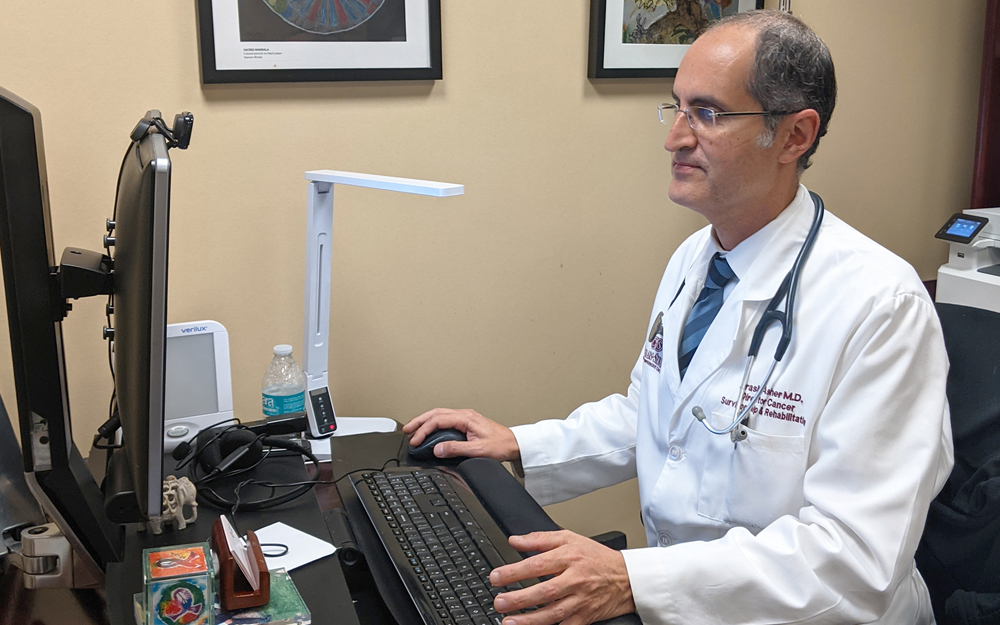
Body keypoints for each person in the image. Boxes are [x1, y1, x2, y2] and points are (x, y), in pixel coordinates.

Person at [404, 10, 954, 625]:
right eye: (677, 108)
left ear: (795, 136)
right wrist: (520, 445)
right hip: (686, 602)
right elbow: (657, 413)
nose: (674, 138)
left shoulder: (881, 306)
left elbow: (855, 562)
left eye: (708, 114)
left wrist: (631, 577)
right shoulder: (697, 258)